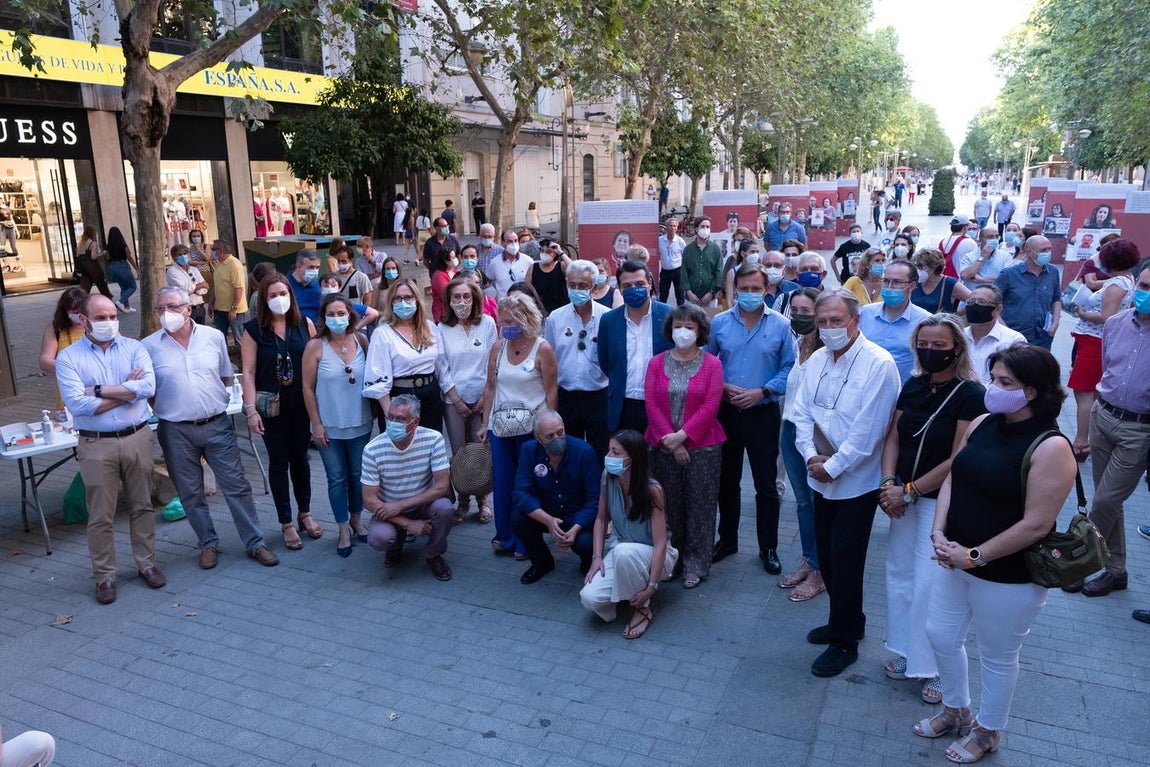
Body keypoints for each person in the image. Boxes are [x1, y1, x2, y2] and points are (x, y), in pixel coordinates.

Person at [917, 345, 1075, 765]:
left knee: (998, 655)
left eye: (1006, 383)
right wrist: (937, 531)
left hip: (1007, 574)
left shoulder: (1052, 447)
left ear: (1033, 392)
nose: (994, 389)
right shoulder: (985, 422)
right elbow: (956, 473)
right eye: (993, 378)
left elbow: (1036, 524)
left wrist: (974, 555)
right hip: (953, 558)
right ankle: (956, 708)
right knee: (940, 635)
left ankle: (988, 731)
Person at [792, 289, 900, 677]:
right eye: (822, 322)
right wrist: (809, 457)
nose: (829, 328)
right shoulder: (818, 357)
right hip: (819, 474)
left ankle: (846, 642)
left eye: (836, 321)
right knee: (827, 554)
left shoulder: (879, 363)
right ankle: (845, 619)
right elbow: (801, 413)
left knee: (846, 561)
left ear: (855, 321)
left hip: (856, 482)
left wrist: (833, 466)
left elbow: (870, 431)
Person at [878, 315, 986, 704]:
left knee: (929, 585)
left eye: (939, 346)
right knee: (900, 577)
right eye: (924, 344)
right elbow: (892, 435)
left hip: (937, 501)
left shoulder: (971, 393)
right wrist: (888, 483)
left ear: (957, 348)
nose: (930, 352)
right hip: (901, 496)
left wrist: (909, 491)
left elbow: (960, 456)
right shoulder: (914, 384)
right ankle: (907, 651)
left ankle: (938, 668)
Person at [144, 287, 279, 570]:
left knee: (237, 486)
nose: (165, 313)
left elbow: (224, 376)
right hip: (175, 429)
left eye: (172, 306)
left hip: (216, 424)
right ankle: (207, 543)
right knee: (190, 492)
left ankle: (255, 542)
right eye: (160, 309)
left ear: (188, 309)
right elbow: (149, 391)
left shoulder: (213, 337)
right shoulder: (148, 346)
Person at [56, 294, 163, 604]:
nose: (109, 322)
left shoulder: (134, 348)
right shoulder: (69, 358)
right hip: (95, 443)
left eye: (112, 316)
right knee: (101, 515)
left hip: (137, 437)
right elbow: (77, 404)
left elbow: (148, 388)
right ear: (83, 320)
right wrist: (126, 393)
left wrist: (100, 391)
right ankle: (104, 577)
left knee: (142, 505)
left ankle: (147, 563)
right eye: (100, 318)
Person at [1062, 258, 1150, 598]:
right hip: (1104, 416)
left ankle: (1080, 565)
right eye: (1143, 286)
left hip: (1139, 428)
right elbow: (1109, 368)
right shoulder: (1115, 325)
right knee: (1109, 501)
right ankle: (1116, 570)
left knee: (1104, 501)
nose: (1146, 293)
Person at [707, 263, 795, 572]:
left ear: (767, 290)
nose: (749, 294)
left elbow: (790, 368)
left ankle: (768, 547)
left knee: (766, 484)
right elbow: (706, 361)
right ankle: (727, 540)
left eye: (755, 289)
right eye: (743, 289)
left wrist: (763, 391)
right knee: (726, 481)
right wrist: (723, 386)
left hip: (762, 412)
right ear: (735, 291)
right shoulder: (719, 323)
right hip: (727, 412)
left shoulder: (782, 326)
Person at [644, 303, 725, 589]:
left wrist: (683, 437)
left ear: (700, 331)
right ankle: (672, 559)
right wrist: (671, 440)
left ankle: (696, 564)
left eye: (689, 327)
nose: (683, 332)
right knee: (669, 506)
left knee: (701, 505)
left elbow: (711, 406)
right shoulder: (656, 363)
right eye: (678, 326)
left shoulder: (712, 364)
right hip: (662, 446)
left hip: (703, 448)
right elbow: (652, 405)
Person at [241, 274, 318, 552]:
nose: (278, 299)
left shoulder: (304, 325)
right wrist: (250, 411)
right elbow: (248, 372)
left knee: (302, 460)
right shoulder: (252, 330)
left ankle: (305, 512)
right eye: (272, 295)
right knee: (278, 462)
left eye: (282, 293)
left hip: (300, 405)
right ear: (263, 300)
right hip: (270, 408)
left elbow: (317, 364)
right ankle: (286, 521)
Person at [479, 292, 558, 559]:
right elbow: (490, 386)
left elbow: (551, 390)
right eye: (502, 321)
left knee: (527, 484)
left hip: (531, 428)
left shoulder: (542, 348)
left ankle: (527, 540)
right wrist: (484, 421)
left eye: (511, 321)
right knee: (502, 483)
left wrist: (552, 425)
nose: (505, 326)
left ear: (526, 319)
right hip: (500, 428)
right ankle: (504, 535)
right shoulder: (498, 347)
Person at [581, 429, 678, 639]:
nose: (608, 456)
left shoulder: (652, 490)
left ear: (632, 459)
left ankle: (643, 608)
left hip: (656, 555)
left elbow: (661, 543)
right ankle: (627, 593)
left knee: (624, 552)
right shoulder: (608, 478)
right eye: (609, 450)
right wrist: (596, 558)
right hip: (623, 552)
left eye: (615, 452)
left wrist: (652, 587)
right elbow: (600, 518)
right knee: (589, 598)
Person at [302, 293, 374, 557]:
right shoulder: (315, 347)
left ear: (350, 315)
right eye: (331, 314)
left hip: (360, 423)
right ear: (323, 318)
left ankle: (357, 518)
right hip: (328, 426)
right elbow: (307, 389)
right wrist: (316, 424)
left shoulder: (362, 341)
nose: (336, 319)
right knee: (336, 478)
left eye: (341, 313)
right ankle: (342, 527)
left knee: (357, 475)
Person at [361, 395, 455, 581]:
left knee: (445, 508)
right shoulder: (373, 449)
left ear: (415, 422)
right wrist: (407, 523)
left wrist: (401, 505)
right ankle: (396, 544)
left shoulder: (433, 439)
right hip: (388, 508)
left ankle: (433, 554)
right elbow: (369, 500)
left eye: (400, 419)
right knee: (379, 537)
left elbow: (442, 487)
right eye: (390, 417)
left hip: (422, 504)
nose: (393, 423)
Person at [510, 409, 600, 583]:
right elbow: (520, 493)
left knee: (586, 542)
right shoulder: (529, 451)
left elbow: (595, 498)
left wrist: (576, 528)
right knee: (518, 518)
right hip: (547, 511)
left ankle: (587, 562)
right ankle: (541, 562)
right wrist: (547, 520)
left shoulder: (584, 452)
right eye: (550, 436)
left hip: (577, 516)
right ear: (539, 439)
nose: (557, 439)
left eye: (560, 432)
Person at [438, 275, 499, 523]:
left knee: (479, 450)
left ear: (475, 299)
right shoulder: (441, 328)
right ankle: (462, 500)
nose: (462, 301)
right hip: (454, 399)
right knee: (459, 451)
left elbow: (492, 363)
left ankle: (482, 501)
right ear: (449, 301)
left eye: (466, 296)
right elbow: (441, 365)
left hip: (482, 397)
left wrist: (486, 396)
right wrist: (455, 397)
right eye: (456, 297)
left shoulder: (487, 325)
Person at [778, 288, 826, 602]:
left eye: (806, 310)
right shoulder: (799, 344)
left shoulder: (830, 349)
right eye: (794, 310)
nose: (798, 315)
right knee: (804, 503)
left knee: (820, 501)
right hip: (790, 429)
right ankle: (810, 560)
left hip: (817, 436)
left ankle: (822, 570)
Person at [597, 261, 673, 434]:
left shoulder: (670, 315)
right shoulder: (609, 321)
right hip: (623, 406)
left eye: (639, 284)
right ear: (620, 289)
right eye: (627, 285)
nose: (634, 289)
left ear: (649, 284)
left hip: (661, 405)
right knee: (627, 459)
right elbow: (605, 362)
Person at [363, 278, 447, 434]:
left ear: (416, 299)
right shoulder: (383, 333)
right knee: (401, 450)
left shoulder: (430, 327)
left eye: (408, 297)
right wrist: (390, 415)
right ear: (391, 302)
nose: (403, 302)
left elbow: (440, 364)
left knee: (430, 446)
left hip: (431, 397)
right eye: (397, 298)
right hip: (399, 397)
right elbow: (377, 376)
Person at [544, 259, 609, 459]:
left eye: (583, 286)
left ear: (593, 287)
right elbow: (549, 360)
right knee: (570, 453)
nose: (576, 290)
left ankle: (599, 490)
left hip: (599, 396)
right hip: (567, 397)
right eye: (572, 285)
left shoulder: (607, 317)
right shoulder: (555, 318)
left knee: (600, 451)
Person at [859, 261, 932, 385]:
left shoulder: (924, 321)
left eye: (897, 282)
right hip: (863, 387)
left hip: (902, 393)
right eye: (886, 281)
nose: (889, 286)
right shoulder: (864, 314)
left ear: (912, 285)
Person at [995, 235, 1061, 350]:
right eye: (1043, 250)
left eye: (1049, 249)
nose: (1048, 253)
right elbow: (992, 304)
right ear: (1029, 252)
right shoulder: (1009, 275)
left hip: (1043, 336)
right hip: (1014, 337)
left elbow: (1056, 299)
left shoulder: (1053, 272)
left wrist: (1055, 324)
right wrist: (1004, 330)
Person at [962, 285, 1026, 384]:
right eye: (971, 302)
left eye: (982, 302)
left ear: (998, 309)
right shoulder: (958, 336)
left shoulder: (1013, 340)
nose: (975, 306)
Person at [39, 287, 88, 410]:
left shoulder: (96, 325)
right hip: (68, 389)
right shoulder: (55, 329)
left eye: (81, 311)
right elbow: (45, 361)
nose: (79, 316)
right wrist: (70, 369)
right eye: (75, 312)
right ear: (65, 310)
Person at [210, 240, 248, 348]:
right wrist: (211, 302)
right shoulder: (218, 264)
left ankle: (244, 360)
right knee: (220, 337)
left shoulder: (234, 264)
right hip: (220, 308)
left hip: (234, 310)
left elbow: (239, 288)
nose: (212, 252)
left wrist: (234, 308)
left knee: (239, 338)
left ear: (221, 251)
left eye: (213, 250)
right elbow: (215, 285)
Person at [912, 248, 972, 314]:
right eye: (916, 266)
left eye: (920, 266)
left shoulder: (950, 284)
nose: (917, 269)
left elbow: (975, 301)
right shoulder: (915, 282)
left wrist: (957, 315)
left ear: (933, 266)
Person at [681, 217, 723, 307]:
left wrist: (711, 293)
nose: (705, 229)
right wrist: (689, 293)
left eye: (708, 227)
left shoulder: (716, 249)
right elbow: (683, 273)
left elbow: (718, 273)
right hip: (691, 298)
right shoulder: (688, 249)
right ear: (696, 229)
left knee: (709, 321)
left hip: (710, 299)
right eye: (702, 226)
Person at [165, 244, 209, 324]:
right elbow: (183, 289)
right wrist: (199, 286)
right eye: (180, 254)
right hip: (185, 309)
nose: (183, 256)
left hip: (200, 307)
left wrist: (195, 289)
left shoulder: (194, 269)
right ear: (174, 257)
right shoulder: (172, 271)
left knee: (200, 334)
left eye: (185, 254)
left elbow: (206, 288)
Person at [526, 239, 570, 315]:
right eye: (542, 251)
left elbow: (575, 269)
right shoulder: (533, 267)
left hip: (561, 310)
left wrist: (561, 252)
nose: (544, 254)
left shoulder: (561, 266)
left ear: (555, 253)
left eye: (548, 252)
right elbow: (526, 288)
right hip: (540, 311)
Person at [487, 231, 534, 299]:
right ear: (503, 243)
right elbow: (488, 281)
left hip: (523, 304)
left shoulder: (528, 261)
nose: (513, 244)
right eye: (509, 241)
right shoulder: (495, 263)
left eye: (516, 241)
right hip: (503, 305)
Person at [102, 226, 138, 313]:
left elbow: (106, 257)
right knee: (132, 286)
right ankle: (121, 302)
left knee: (124, 287)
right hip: (122, 266)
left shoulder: (108, 247)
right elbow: (129, 258)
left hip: (112, 267)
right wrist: (137, 269)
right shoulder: (123, 245)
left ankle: (127, 307)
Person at [285, 250, 323, 326]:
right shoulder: (285, 285)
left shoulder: (317, 285)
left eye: (317, 267)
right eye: (311, 267)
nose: (315, 271)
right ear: (298, 266)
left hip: (316, 330)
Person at [75, 224, 112, 298]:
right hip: (93, 268)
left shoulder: (81, 244)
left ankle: (79, 303)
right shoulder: (93, 243)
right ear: (92, 233)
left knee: (85, 288)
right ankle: (110, 303)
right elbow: (93, 257)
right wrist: (102, 254)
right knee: (103, 287)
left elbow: (78, 255)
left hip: (84, 269)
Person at [938, 216, 979, 280]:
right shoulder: (970, 242)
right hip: (961, 281)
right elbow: (976, 263)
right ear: (964, 227)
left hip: (944, 279)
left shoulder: (943, 241)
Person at [658, 217, 686, 304]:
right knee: (663, 295)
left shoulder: (680, 241)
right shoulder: (660, 240)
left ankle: (681, 315)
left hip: (677, 271)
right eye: (670, 225)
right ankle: (662, 315)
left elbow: (685, 256)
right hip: (665, 271)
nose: (672, 228)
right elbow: (657, 255)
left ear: (677, 228)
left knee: (680, 295)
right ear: (666, 227)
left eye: (674, 226)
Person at [428, 244, 457, 323]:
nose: (455, 259)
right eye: (453, 258)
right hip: (443, 312)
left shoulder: (454, 271)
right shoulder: (439, 276)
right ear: (446, 261)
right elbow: (445, 295)